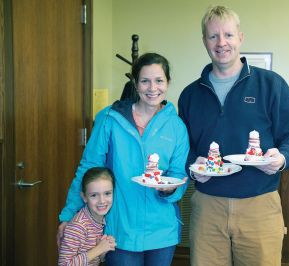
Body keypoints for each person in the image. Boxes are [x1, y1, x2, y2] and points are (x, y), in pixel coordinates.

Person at [178, 5, 289, 266]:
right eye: (213, 36)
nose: (221, 43)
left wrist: (282, 157)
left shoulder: (271, 84)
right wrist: (193, 167)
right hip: (207, 207)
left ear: (240, 37)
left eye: (228, 34)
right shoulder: (190, 94)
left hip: (259, 205)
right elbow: (183, 147)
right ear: (205, 41)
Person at [58, 52, 190, 266]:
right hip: (119, 230)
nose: (152, 88)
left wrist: (170, 189)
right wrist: (68, 215)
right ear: (135, 84)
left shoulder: (177, 127)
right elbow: (88, 169)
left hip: (162, 231)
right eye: (145, 81)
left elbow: (179, 174)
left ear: (168, 83)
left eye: (159, 80)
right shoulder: (109, 119)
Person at [58, 167, 116, 265]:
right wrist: (98, 249)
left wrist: (103, 251)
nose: (102, 201)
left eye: (107, 193)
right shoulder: (78, 226)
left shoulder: (100, 220)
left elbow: (94, 260)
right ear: (84, 197)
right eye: (94, 195)